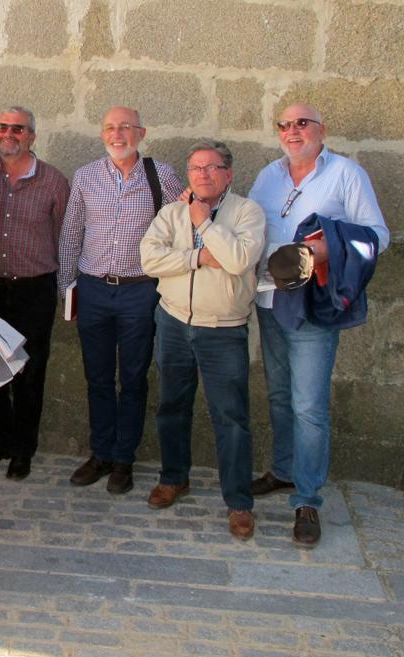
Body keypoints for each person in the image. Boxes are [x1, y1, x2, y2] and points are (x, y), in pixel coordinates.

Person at [247, 103, 390, 548]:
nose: (292, 131)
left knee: (309, 404)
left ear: (320, 130)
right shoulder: (268, 176)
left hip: (312, 302)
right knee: (278, 393)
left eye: (301, 123)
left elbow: (378, 235)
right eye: (284, 125)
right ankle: (286, 470)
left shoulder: (346, 174)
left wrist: (330, 247)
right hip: (269, 299)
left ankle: (307, 498)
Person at [139, 140, 266, 540]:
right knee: (172, 406)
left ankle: (239, 503)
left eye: (212, 168)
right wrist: (196, 257)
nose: (203, 175)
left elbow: (240, 260)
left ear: (228, 173)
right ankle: (174, 477)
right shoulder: (170, 213)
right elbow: (149, 259)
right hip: (174, 322)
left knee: (231, 417)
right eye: (195, 169)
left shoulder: (247, 212)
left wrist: (205, 224)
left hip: (223, 330)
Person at [58, 106, 185, 493]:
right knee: (97, 377)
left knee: (132, 377)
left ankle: (124, 459)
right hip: (94, 288)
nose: (117, 135)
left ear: (141, 133)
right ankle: (101, 453)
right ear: (102, 135)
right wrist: (67, 289)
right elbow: (70, 233)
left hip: (139, 290)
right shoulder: (85, 176)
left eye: (125, 128)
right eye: (110, 128)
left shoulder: (161, 176)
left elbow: (177, 232)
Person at [0, 107, 70, 481]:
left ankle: (24, 449)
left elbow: (63, 233)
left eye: (18, 128)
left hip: (34, 287)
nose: (9, 133)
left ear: (31, 136)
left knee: (29, 370)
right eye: (3, 127)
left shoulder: (54, 182)